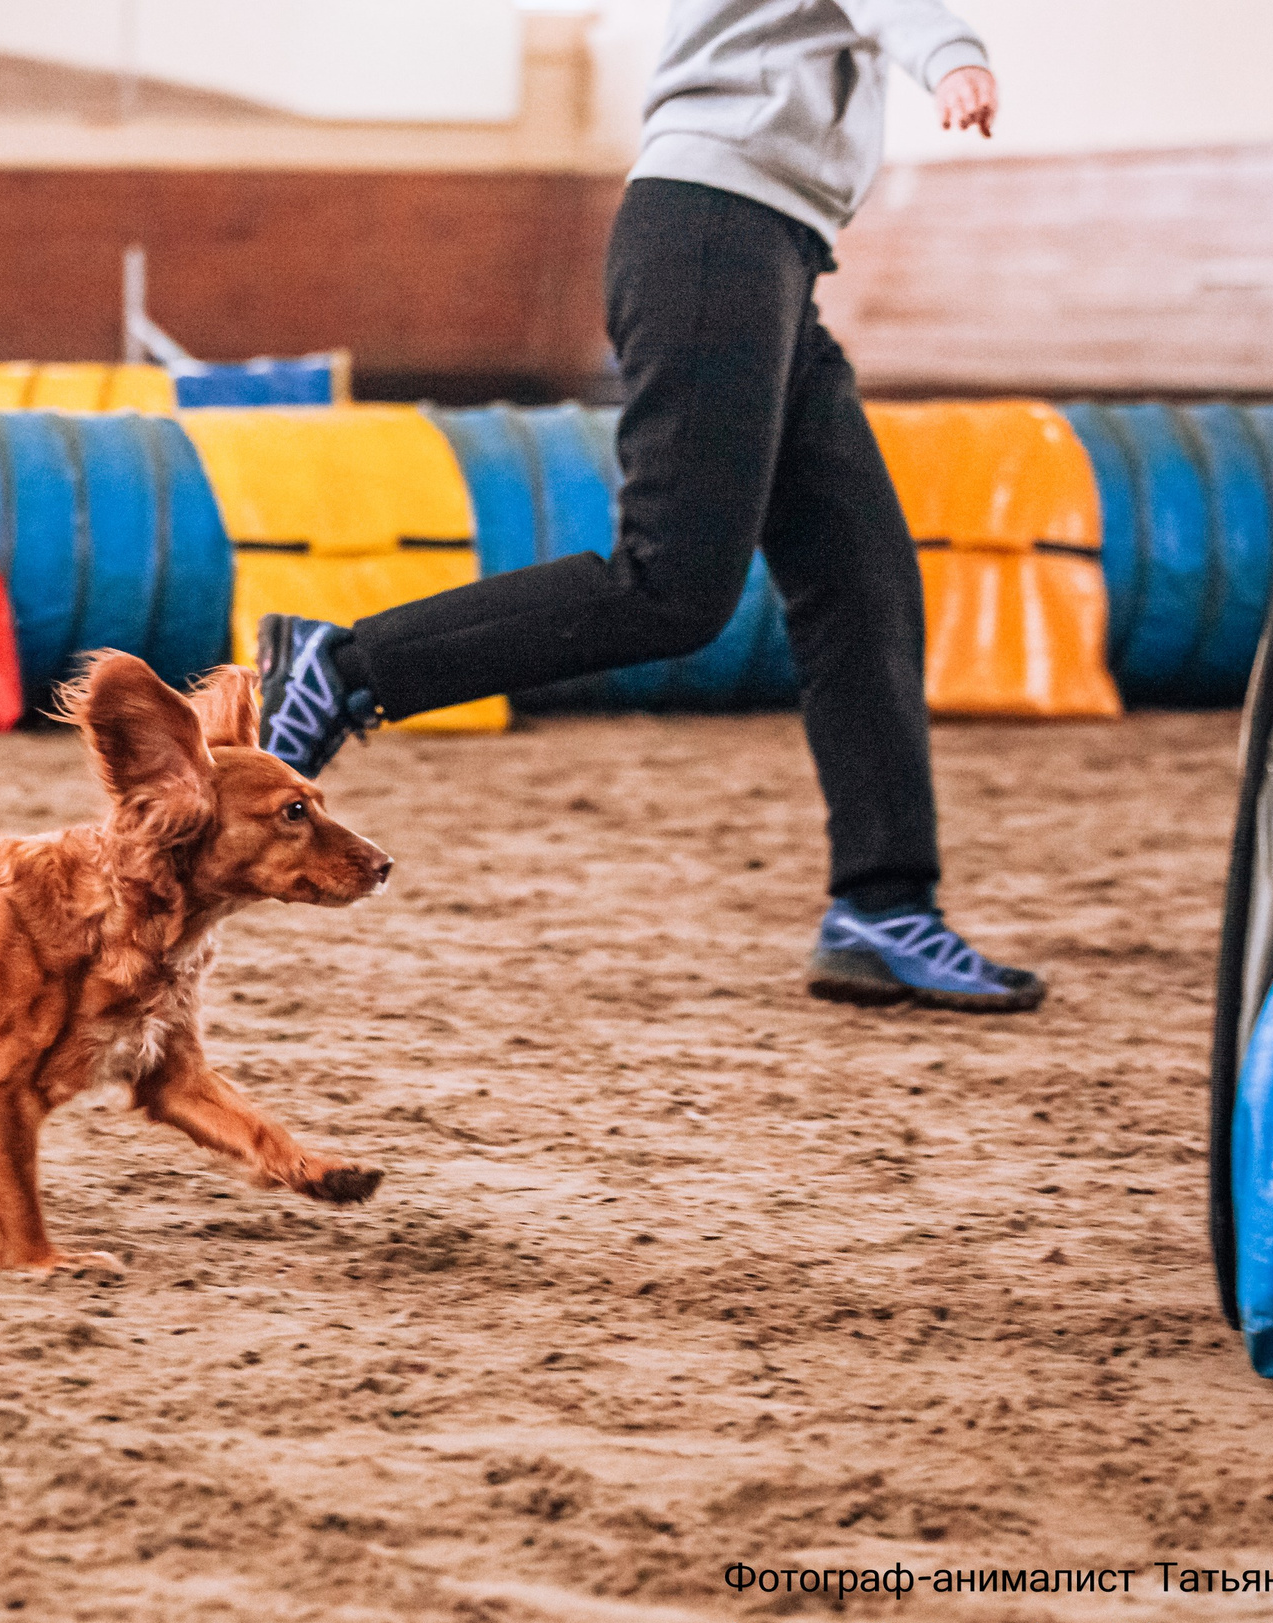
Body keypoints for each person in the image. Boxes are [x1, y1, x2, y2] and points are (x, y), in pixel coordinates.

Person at [254, 0, 1041, 1014]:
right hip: (713, 236)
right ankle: (347, 666)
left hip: (768, 254)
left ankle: (884, 910)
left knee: (863, 584)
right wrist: (953, 58)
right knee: (672, 586)